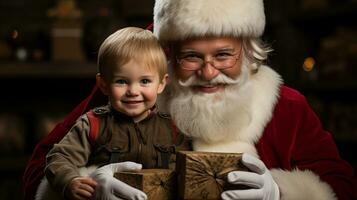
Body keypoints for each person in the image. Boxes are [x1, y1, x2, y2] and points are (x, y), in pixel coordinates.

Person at [24, 0, 357, 200]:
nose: (209, 73)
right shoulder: (133, 96)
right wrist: (84, 186)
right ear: (169, 56)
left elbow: (342, 185)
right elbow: (36, 174)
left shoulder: (288, 107)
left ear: (248, 51)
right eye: (192, 57)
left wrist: (282, 193)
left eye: (224, 55)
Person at [36, 26, 176, 200]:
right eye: (121, 81)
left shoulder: (171, 128)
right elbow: (60, 157)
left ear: (161, 84)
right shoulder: (93, 124)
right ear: (103, 84)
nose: (133, 91)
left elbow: (186, 168)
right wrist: (70, 181)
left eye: (145, 81)